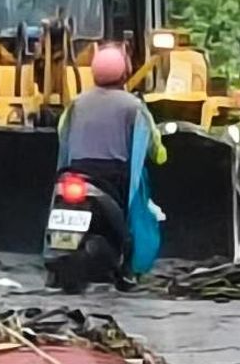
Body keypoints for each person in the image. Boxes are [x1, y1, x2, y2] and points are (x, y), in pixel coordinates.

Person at [57, 44, 167, 282]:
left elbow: (61, 133)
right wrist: (160, 155)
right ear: (124, 73)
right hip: (111, 176)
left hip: (74, 172)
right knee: (128, 227)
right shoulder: (134, 106)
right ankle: (127, 269)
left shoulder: (76, 103)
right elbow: (152, 143)